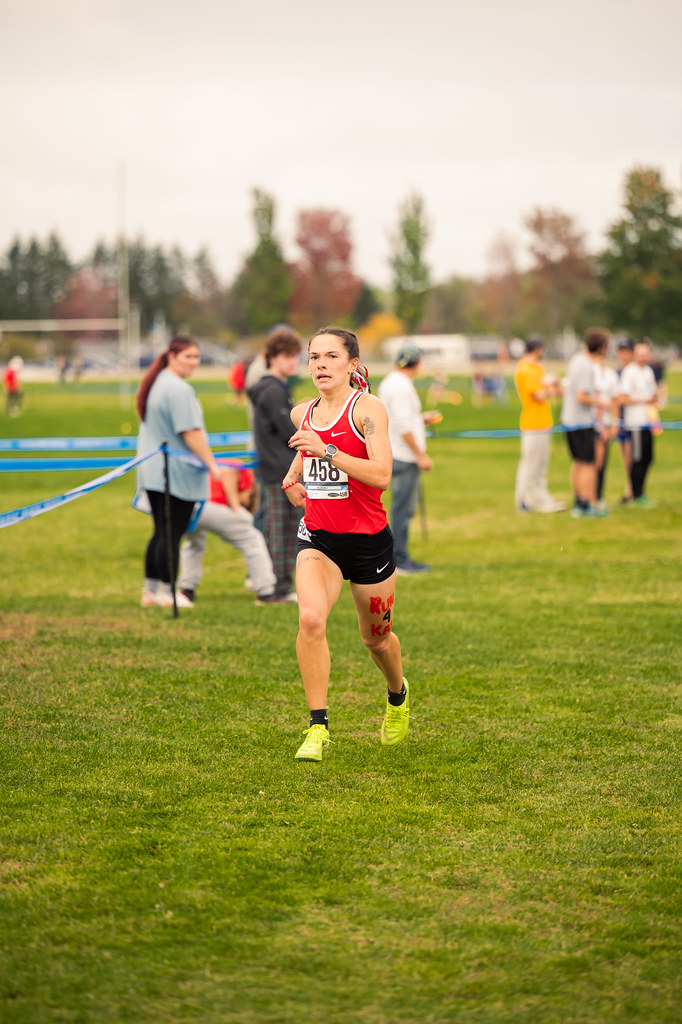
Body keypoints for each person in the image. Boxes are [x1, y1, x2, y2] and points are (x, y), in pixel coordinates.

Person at [282, 326, 409, 763]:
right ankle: (318, 727)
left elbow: (382, 475)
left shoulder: (368, 409)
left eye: (331, 356)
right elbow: (306, 449)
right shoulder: (303, 412)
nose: (320, 364)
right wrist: (294, 475)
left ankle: (397, 694)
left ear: (352, 365)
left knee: (377, 640)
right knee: (311, 619)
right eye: (314, 356)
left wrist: (327, 451)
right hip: (319, 538)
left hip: (369, 541)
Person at [135, 336, 232, 608]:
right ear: (171, 357)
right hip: (173, 474)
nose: (194, 362)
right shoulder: (177, 389)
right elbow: (190, 432)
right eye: (188, 356)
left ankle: (151, 592)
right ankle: (168, 593)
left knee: (160, 531)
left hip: (155, 472)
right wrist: (212, 465)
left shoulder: (158, 383)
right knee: (170, 534)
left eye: (196, 356)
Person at [247, 325, 304, 603]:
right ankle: (274, 588)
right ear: (272, 357)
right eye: (286, 355)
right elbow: (288, 432)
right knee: (279, 532)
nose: (292, 361)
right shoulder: (271, 391)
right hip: (279, 470)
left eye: (295, 355)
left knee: (283, 530)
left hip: (277, 468)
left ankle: (279, 585)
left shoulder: (277, 388)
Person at [177, 463, 277, 605]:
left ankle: (187, 589)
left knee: (194, 544)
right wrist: (236, 505)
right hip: (213, 507)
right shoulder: (244, 471)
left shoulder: (216, 461)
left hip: (193, 506)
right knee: (253, 541)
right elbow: (231, 471)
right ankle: (265, 592)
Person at [377, 341, 433, 574]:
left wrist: (421, 420)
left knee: (400, 508)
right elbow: (401, 424)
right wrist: (420, 455)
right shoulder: (401, 386)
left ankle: (398, 555)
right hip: (404, 455)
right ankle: (399, 559)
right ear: (417, 362)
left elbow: (401, 419)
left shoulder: (393, 382)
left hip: (398, 451)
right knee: (402, 509)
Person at [560, 328, 611, 518]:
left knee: (579, 463)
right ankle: (586, 503)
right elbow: (581, 396)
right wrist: (601, 403)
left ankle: (578, 501)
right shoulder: (586, 365)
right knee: (589, 464)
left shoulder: (576, 359)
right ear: (602, 347)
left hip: (570, 421)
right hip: (581, 422)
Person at [513, 337, 566, 513]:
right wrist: (552, 387)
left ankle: (541, 497)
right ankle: (523, 499)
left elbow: (552, 391)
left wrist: (552, 386)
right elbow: (539, 395)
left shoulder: (538, 368)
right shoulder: (525, 369)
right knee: (530, 463)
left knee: (542, 464)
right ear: (536, 349)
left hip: (544, 422)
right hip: (531, 423)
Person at [618, 338, 659, 507]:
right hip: (635, 423)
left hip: (649, 421)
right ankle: (635, 494)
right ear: (634, 355)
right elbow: (623, 398)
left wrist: (654, 402)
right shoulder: (630, 372)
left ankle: (640, 492)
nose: (643, 357)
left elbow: (653, 394)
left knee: (648, 458)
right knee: (637, 459)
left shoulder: (648, 371)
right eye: (640, 354)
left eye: (646, 354)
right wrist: (644, 400)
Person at [593, 348, 621, 509]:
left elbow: (615, 400)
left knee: (602, 462)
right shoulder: (591, 372)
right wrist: (601, 427)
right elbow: (596, 401)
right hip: (593, 424)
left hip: (607, 423)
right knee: (594, 462)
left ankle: (598, 496)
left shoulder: (610, 375)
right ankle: (590, 497)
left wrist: (615, 423)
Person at [615, 337, 635, 503]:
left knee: (634, 457)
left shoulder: (636, 371)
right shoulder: (616, 373)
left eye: (627, 350)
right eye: (621, 351)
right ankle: (630, 488)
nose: (623, 354)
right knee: (626, 457)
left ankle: (632, 490)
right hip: (621, 420)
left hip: (635, 420)